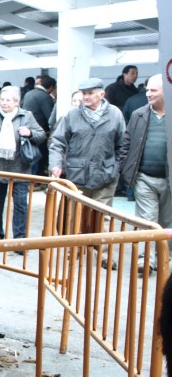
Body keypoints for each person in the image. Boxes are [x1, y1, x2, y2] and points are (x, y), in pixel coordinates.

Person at [0, 86, 46, 241]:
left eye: (8, 100)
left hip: (20, 167)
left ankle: (19, 239)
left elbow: (41, 136)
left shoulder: (27, 116)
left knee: (21, 205)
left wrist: (30, 133)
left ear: (17, 102)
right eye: (2, 99)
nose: (4, 103)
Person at [48, 77, 127, 206]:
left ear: (101, 94)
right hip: (76, 177)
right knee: (73, 220)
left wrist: (115, 169)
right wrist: (56, 164)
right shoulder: (72, 115)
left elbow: (122, 145)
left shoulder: (115, 114)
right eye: (84, 93)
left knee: (99, 220)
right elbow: (58, 142)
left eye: (90, 93)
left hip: (105, 176)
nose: (86, 97)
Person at [120, 75, 171, 260]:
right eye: (147, 89)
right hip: (144, 178)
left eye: (153, 90)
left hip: (169, 181)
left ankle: (165, 258)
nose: (148, 94)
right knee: (147, 220)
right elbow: (126, 144)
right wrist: (126, 169)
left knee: (167, 222)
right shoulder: (139, 114)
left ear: (166, 91)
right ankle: (146, 258)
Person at [21, 75, 56, 175]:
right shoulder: (45, 97)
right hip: (39, 131)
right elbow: (49, 117)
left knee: (29, 153)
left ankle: (29, 177)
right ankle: (35, 180)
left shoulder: (28, 94)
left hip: (25, 128)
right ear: (50, 87)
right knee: (38, 156)